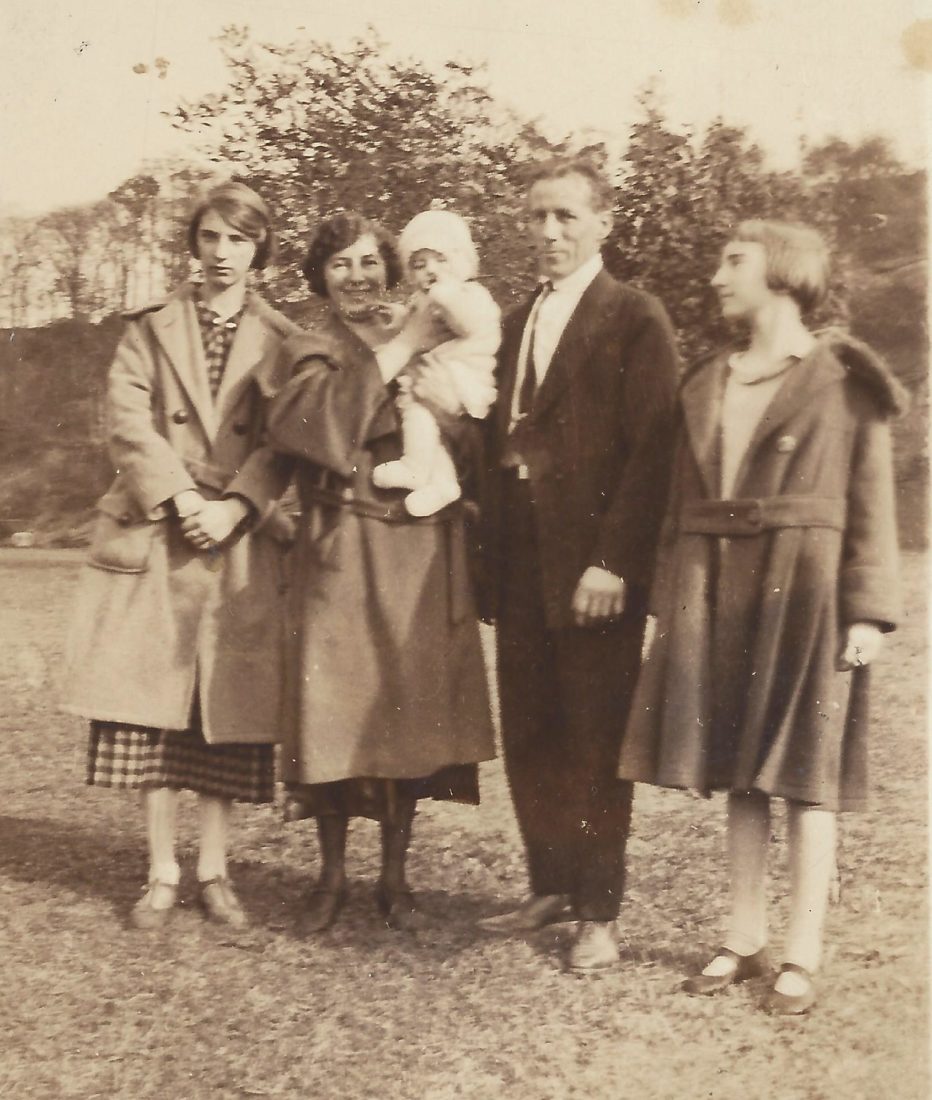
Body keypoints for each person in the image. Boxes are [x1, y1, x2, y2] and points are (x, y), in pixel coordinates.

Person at [618, 220, 904, 1014]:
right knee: (742, 773)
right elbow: (679, 507)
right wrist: (671, 599)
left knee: (805, 776)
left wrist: (867, 614)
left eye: (732, 261)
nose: (716, 276)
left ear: (783, 274)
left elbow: (872, 505)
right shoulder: (708, 379)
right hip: (716, 588)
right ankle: (744, 938)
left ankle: (802, 954)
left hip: (805, 591)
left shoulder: (844, 380)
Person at [61, 181, 298, 931]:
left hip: (234, 540)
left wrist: (233, 505)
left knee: (220, 714)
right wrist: (181, 499)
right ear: (192, 245)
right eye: (210, 239)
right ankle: (162, 871)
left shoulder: (285, 339)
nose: (222, 254)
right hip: (160, 530)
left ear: (259, 246)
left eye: (238, 239)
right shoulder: (149, 328)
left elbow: (284, 441)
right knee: (151, 714)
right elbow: (127, 420)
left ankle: (216, 870)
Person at [470, 157, 679, 971]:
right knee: (531, 726)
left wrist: (614, 562)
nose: (548, 232)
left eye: (565, 216)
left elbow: (653, 453)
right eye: (535, 217)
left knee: (593, 735)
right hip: (520, 555)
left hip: (592, 564)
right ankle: (550, 884)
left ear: (604, 223)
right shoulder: (518, 321)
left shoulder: (635, 316)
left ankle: (599, 909)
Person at [261, 212, 496, 934]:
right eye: (341, 267)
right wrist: (403, 349)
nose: (359, 278)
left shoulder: (434, 323)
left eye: (370, 263)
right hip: (342, 542)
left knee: (409, 711)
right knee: (329, 711)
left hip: (420, 543)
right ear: (320, 279)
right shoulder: (313, 344)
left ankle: (395, 878)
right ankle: (330, 877)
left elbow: (471, 421)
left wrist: (447, 406)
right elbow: (305, 429)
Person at [371, 208, 500, 517]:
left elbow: (466, 324)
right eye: (420, 264)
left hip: (463, 377)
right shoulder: (425, 299)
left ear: (461, 262)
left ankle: (414, 466)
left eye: (440, 260)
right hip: (438, 374)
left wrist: (444, 297)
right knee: (427, 428)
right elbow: (418, 327)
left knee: (416, 407)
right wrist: (398, 318)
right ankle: (443, 483)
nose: (430, 270)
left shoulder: (469, 294)